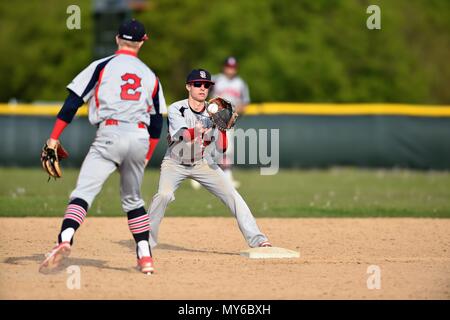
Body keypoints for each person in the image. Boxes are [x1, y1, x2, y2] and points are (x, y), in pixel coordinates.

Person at [39, 19, 166, 275]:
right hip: (139, 137)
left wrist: (53, 138)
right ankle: (145, 256)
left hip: (110, 132)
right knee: (133, 200)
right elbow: (156, 121)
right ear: (143, 42)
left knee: (83, 193)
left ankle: (65, 238)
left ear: (117, 39)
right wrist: (146, 157)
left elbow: (72, 103)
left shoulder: (102, 66)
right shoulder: (150, 76)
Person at [147, 68, 271, 254]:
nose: (202, 88)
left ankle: (258, 240)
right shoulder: (176, 108)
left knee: (233, 195)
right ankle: (145, 242)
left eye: (206, 85)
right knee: (164, 195)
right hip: (175, 162)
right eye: (198, 84)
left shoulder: (215, 111)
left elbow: (221, 148)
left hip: (203, 162)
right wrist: (201, 129)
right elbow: (182, 135)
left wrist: (221, 128)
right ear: (188, 86)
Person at [190, 56, 250, 190]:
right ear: (224, 67)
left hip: (228, 121)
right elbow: (202, 94)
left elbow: (244, 104)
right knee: (205, 146)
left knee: (226, 149)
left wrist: (233, 113)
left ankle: (227, 178)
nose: (230, 70)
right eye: (228, 67)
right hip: (211, 118)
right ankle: (197, 176)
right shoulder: (215, 80)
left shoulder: (240, 83)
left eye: (233, 68)